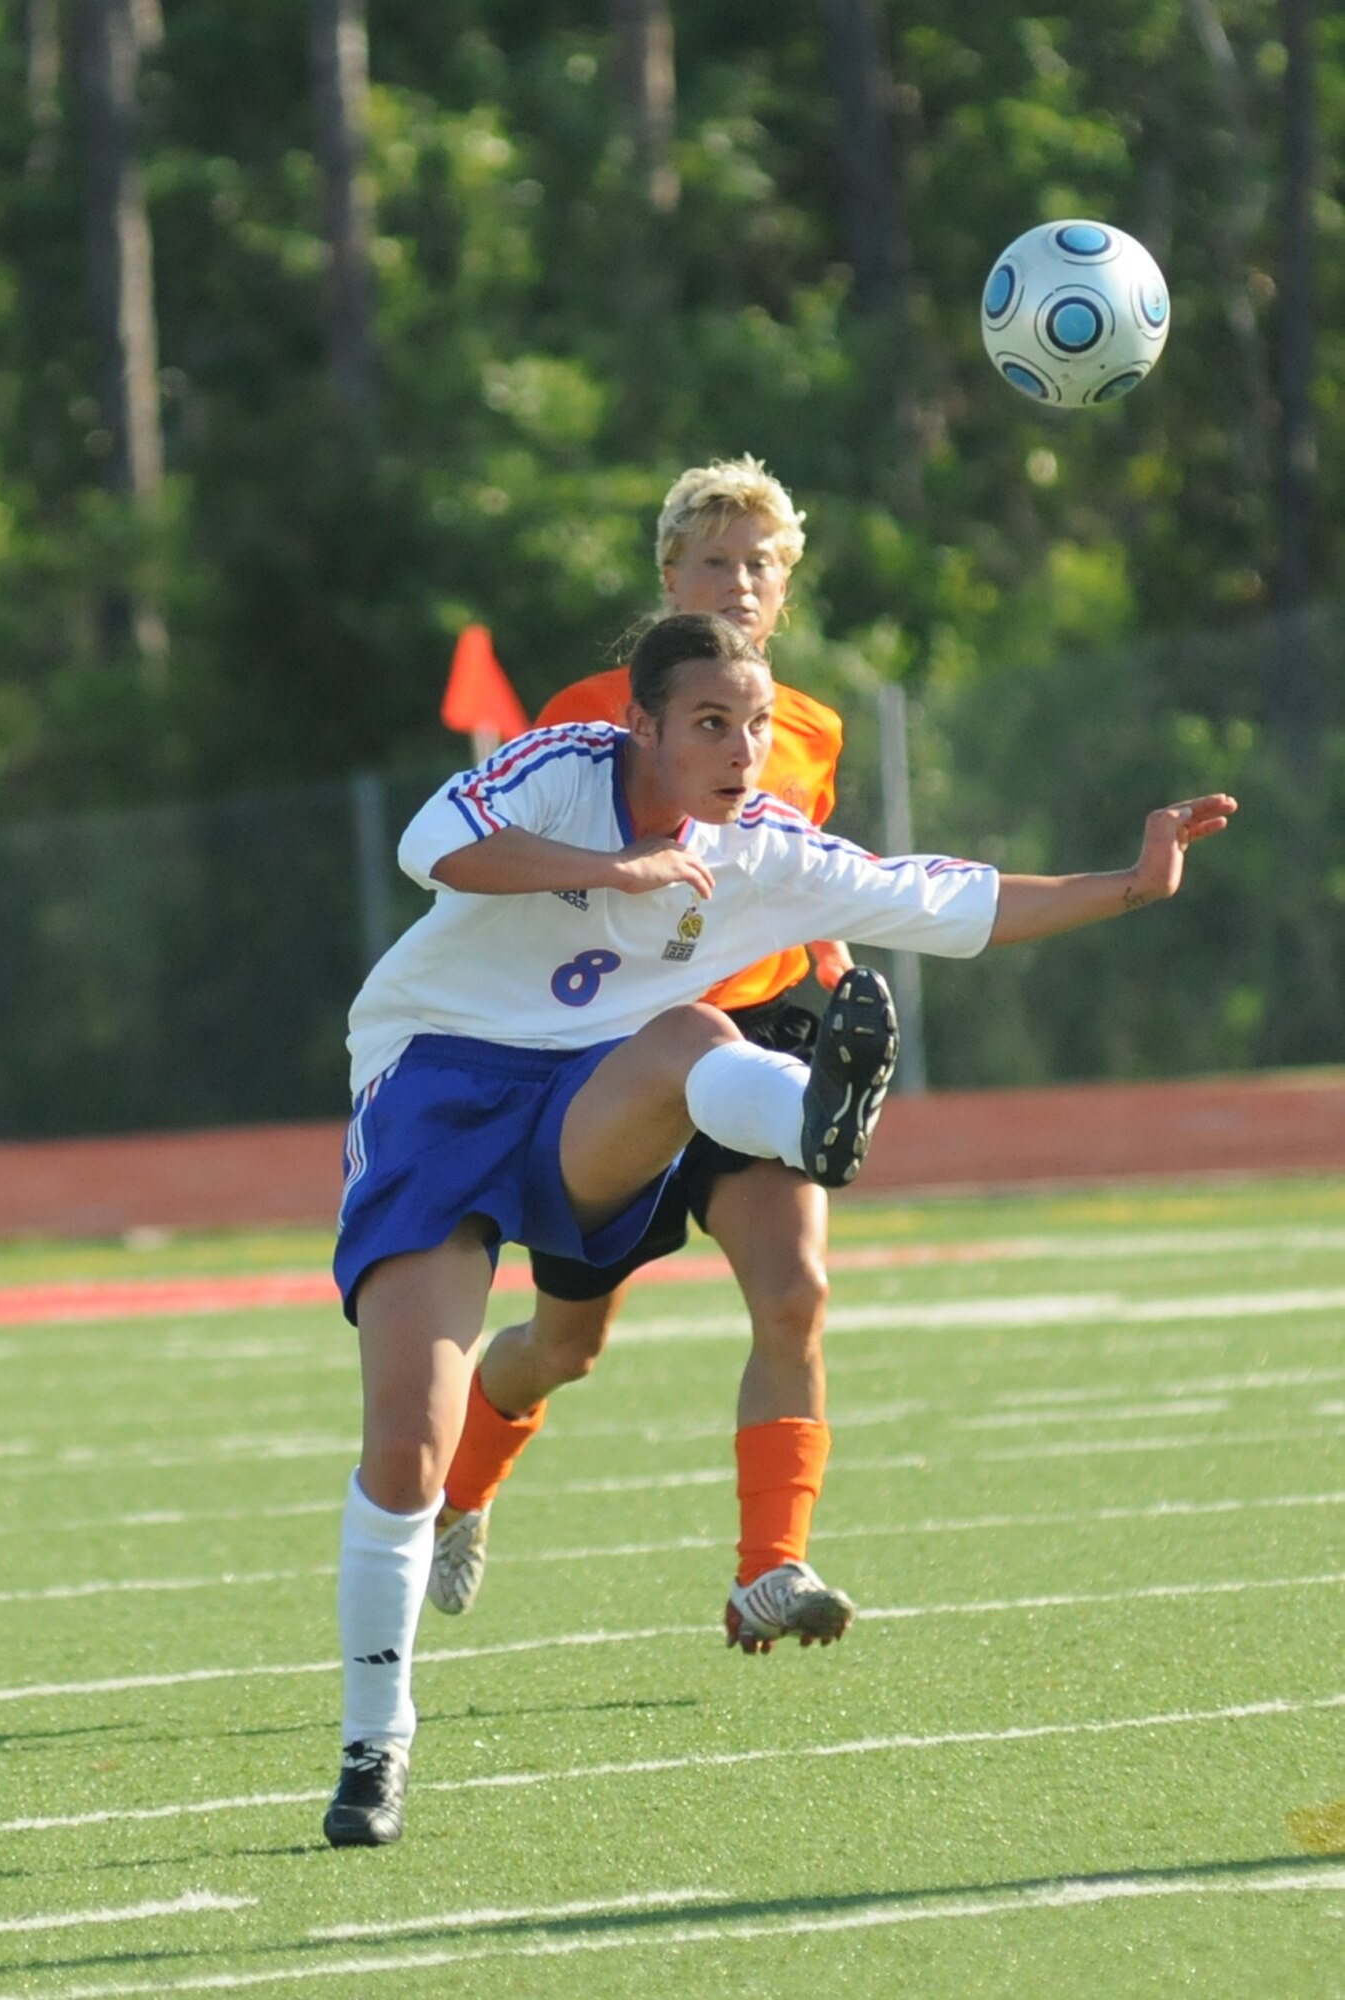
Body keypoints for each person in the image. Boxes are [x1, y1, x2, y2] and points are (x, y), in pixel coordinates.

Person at [323, 606, 1236, 1845]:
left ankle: (812, 1123)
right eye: (708, 722)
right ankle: (376, 1747)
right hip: (434, 1079)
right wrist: (613, 866)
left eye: (753, 723)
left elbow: (941, 899)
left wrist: (1130, 883)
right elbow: (436, 847)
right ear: (637, 721)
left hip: (588, 1097)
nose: (741, 749)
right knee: (406, 1452)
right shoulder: (563, 769)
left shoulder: (762, 845)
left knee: (700, 1034)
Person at [428, 454, 874, 1659]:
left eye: (760, 565)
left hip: (756, 1031)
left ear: (785, 590)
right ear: (670, 575)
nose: (738, 582)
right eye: (715, 561)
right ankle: (460, 1484)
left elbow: (790, 865)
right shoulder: (587, 706)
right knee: (564, 1347)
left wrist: (826, 958)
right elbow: (520, 856)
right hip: (618, 1043)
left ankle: (767, 1569)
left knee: (796, 1291)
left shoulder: (812, 729)